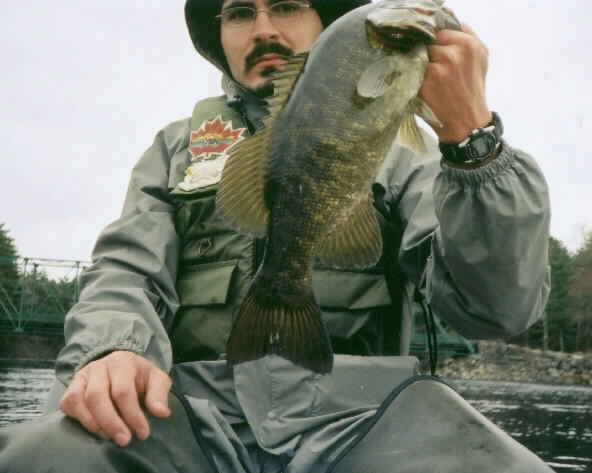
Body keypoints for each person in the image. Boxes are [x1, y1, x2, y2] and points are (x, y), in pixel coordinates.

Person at [0, 0, 553, 471]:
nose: (264, 28)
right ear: (220, 36)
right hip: (185, 415)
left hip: (365, 418)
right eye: (240, 12)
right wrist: (112, 348)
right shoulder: (177, 147)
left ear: (329, 26)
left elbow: (494, 313)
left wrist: (473, 144)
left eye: (287, 5)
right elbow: (126, 270)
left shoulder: (411, 148)